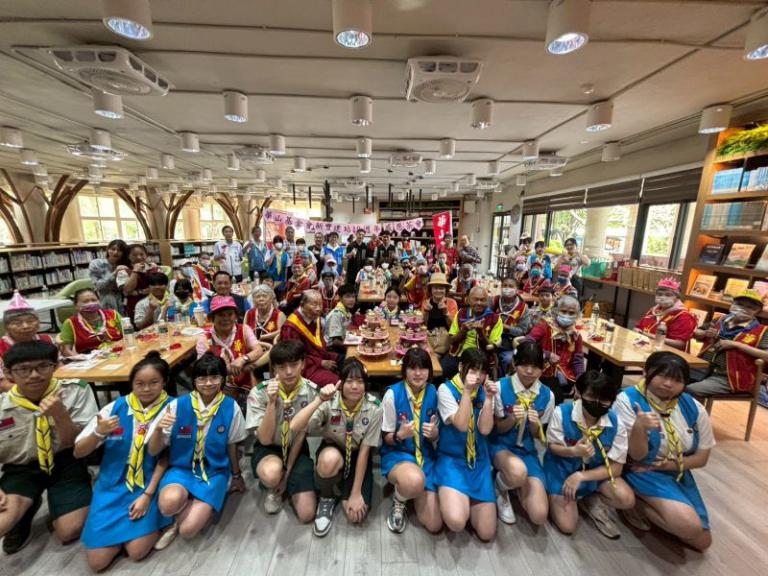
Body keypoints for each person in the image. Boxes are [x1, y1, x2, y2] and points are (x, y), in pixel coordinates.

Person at [74, 352, 174, 570]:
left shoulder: (173, 408)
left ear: (164, 382)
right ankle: (124, 532)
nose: (146, 389)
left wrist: (148, 495)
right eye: (140, 383)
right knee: (97, 563)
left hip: (150, 479)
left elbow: (168, 456)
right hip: (112, 482)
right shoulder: (115, 408)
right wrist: (98, 433)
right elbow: (79, 452)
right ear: (131, 384)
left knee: (137, 552)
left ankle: (158, 523)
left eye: (154, 382)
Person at [0, 341, 97, 554]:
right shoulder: (3, 405)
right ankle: (25, 510)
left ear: (55, 366)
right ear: (8, 373)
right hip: (21, 469)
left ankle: (73, 491)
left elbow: (79, 444)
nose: (34, 375)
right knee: (3, 522)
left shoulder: (75, 390)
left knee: (69, 530)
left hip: (65, 461)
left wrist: (60, 414)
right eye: (23, 369)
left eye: (43, 366)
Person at [613, 352, 714, 551]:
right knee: (688, 526)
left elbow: (702, 458)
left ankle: (649, 506)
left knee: (703, 541)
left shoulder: (693, 407)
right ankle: (634, 504)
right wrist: (639, 427)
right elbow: (637, 456)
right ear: (646, 372)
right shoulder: (627, 400)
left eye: (677, 380)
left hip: (675, 470)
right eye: (662, 375)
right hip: (638, 469)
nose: (668, 384)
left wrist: (666, 465)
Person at [147, 353, 246, 541]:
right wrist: (158, 429)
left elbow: (232, 444)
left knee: (187, 531)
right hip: (182, 468)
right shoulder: (177, 405)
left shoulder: (230, 407)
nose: (208, 383)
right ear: (194, 380)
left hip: (214, 471)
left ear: (223, 379)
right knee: (168, 504)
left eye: (214, 377)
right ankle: (180, 506)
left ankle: (178, 520)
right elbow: (153, 450)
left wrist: (236, 475)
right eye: (202, 378)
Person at [287, 358, 382, 536]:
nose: (355, 386)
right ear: (341, 383)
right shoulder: (329, 401)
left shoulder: (374, 407)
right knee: (328, 460)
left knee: (356, 516)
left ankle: (346, 488)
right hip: (334, 448)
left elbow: (364, 451)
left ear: (366, 384)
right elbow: (295, 426)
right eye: (349, 381)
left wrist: (355, 493)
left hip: (358, 454)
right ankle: (327, 496)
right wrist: (319, 399)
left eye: (360, 381)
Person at [544, 370, 635, 538]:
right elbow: (552, 447)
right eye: (592, 397)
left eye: (605, 399)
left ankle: (589, 499)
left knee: (626, 498)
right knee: (567, 525)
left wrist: (581, 476)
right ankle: (564, 496)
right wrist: (572, 451)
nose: (597, 403)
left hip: (593, 473)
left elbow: (616, 468)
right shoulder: (562, 412)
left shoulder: (616, 422)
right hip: (562, 470)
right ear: (578, 392)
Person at [246, 340, 323, 520]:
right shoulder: (259, 392)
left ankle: (286, 479)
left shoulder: (312, 392)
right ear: (274, 368)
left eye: (294, 364)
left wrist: (287, 475)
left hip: (296, 447)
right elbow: (264, 439)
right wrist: (272, 402)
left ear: (303, 364)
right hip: (268, 448)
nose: (288, 372)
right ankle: (271, 485)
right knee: (271, 474)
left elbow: (301, 434)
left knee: (307, 514)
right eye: (281, 367)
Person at [434, 349, 498, 541]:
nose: (478, 376)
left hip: (478, 460)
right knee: (456, 522)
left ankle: (465, 498)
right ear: (461, 367)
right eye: (473, 370)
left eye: (482, 371)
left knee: (487, 533)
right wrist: (467, 392)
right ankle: (452, 495)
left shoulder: (485, 391)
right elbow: (461, 425)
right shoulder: (445, 389)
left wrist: (489, 399)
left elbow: (485, 430)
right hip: (451, 459)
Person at [380, 348, 442, 534]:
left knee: (435, 524)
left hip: (425, 455)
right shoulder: (392, 394)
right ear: (404, 370)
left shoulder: (434, 392)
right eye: (412, 368)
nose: (418, 373)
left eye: (423, 368)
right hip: (398, 454)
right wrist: (399, 435)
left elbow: (436, 435)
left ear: (429, 371)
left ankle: (411, 490)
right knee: (414, 481)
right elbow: (386, 439)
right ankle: (399, 500)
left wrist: (434, 434)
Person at [491, 341, 554, 526]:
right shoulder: (500, 387)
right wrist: (512, 418)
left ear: (543, 368)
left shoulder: (547, 395)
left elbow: (537, 436)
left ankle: (515, 484)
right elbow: (497, 429)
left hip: (527, 451)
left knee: (539, 515)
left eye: (535, 366)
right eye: (524, 364)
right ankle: (500, 487)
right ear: (514, 363)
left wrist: (534, 424)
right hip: (501, 445)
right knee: (518, 472)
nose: (529, 371)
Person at [688, 288, 768, 397]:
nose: (743, 309)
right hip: (703, 366)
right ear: (732, 304)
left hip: (730, 378)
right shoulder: (720, 319)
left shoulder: (762, 330)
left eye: (750, 307)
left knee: (689, 389)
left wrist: (736, 344)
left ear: (758, 311)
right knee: (671, 376)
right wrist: (705, 333)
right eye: (740, 304)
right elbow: (696, 333)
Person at [197, 296, 265, 400]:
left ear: (236, 316)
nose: (226, 318)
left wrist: (243, 359)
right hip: (217, 390)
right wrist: (226, 369)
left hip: (246, 387)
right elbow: (202, 368)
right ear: (212, 318)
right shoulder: (205, 339)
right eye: (221, 315)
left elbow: (258, 350)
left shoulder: (244, 330)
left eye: (230, 314)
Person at [524, 295, 585, 404]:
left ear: (577, 315)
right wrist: (547, 355)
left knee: (587, 391)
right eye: (563, 311)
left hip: (566, 375)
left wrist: (581, 383)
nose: (567, 315)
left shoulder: (576, 335)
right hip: (542, 372)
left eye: (571, 313)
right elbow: (526, 343)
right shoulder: (544, 327)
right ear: (556, 311)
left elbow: (578, 361)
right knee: (555, 397)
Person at [280, 290, 340, 386]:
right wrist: (320, 363)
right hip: (306, 368)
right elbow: (293, 357)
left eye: (320, 305)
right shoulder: (291, 327)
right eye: (314, 305)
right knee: (337, 383)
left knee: (348, 362)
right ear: (302, 304)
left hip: (320, 356)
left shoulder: (313, 318)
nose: (318, 309)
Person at [443, 286, 503, 381]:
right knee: (443, 369)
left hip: (481, 356)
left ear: (487, 301)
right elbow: (451, 340)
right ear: (469, 300)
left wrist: (481, 333)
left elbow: (491, 347)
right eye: (476, 299)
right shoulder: (461, 313)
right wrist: (463, 331)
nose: (479, 303)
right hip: (459, 354)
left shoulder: (495, 319)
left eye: (482, 300)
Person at [0, 291, 54, 392]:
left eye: (30, 321)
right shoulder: (1, 347)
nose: (25, 326)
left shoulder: (47, 340)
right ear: (6, 327)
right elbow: (3, 384)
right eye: (17, 323)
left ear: (38, 323)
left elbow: (59, 366)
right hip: (16, 394)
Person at [634, 278, 698, 350]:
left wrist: (648, 336)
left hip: (666, 353)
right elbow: (639, 327)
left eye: (668, 295)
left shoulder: (684, 316)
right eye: (659, 294)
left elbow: (679, 344)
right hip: (644, 347)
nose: (662, 298)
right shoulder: (654, 310)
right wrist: (637, 330)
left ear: (677, 297)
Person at [60, 288, 124, 357]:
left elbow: (128, 335)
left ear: (99, 301)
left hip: (120, 354)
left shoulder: (113, 315)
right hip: (89, 360)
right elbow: (66, 350)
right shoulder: (71, 323)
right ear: (76, 305)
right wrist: (81, 359)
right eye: (85, 301)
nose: (91, 303)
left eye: (94, 300)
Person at [494, 277, 532, 375]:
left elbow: (522, 331)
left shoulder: (523, 307)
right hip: (492, 339)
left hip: (510, 343)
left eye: (511, 286)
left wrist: (506, 327)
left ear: (517, 289)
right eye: (505, 285)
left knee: (508, 359)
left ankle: (502, 379)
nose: (507, 288)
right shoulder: (494, 301)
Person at [117, 243, 158, 325]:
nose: (139, 257)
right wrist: (135, 271)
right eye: (134, 255)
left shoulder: (153, 268)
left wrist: (136, 292)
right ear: (128, 256)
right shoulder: (123, 271)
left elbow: (161, 286)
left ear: (146, 255)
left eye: (142, 254)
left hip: (154, 302)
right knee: (140, 327)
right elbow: (127, 290)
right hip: (134, 305)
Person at [88, 238, 129, 313]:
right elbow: (98, 286)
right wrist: (114, 273)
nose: (115, 252)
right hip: (104, 297)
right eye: (113, 249)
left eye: (119, 250)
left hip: (122, 298)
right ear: (107, 250)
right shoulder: (96, 263)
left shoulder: (125, 265)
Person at [325, 285, 359, 352]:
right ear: (340, 298)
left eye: (353, 296)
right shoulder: (336, 314)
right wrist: (352, 349)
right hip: (332, 349)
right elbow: (335, 342)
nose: (351, 299)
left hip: (342, 341)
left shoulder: (346, 311)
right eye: (348, 296)